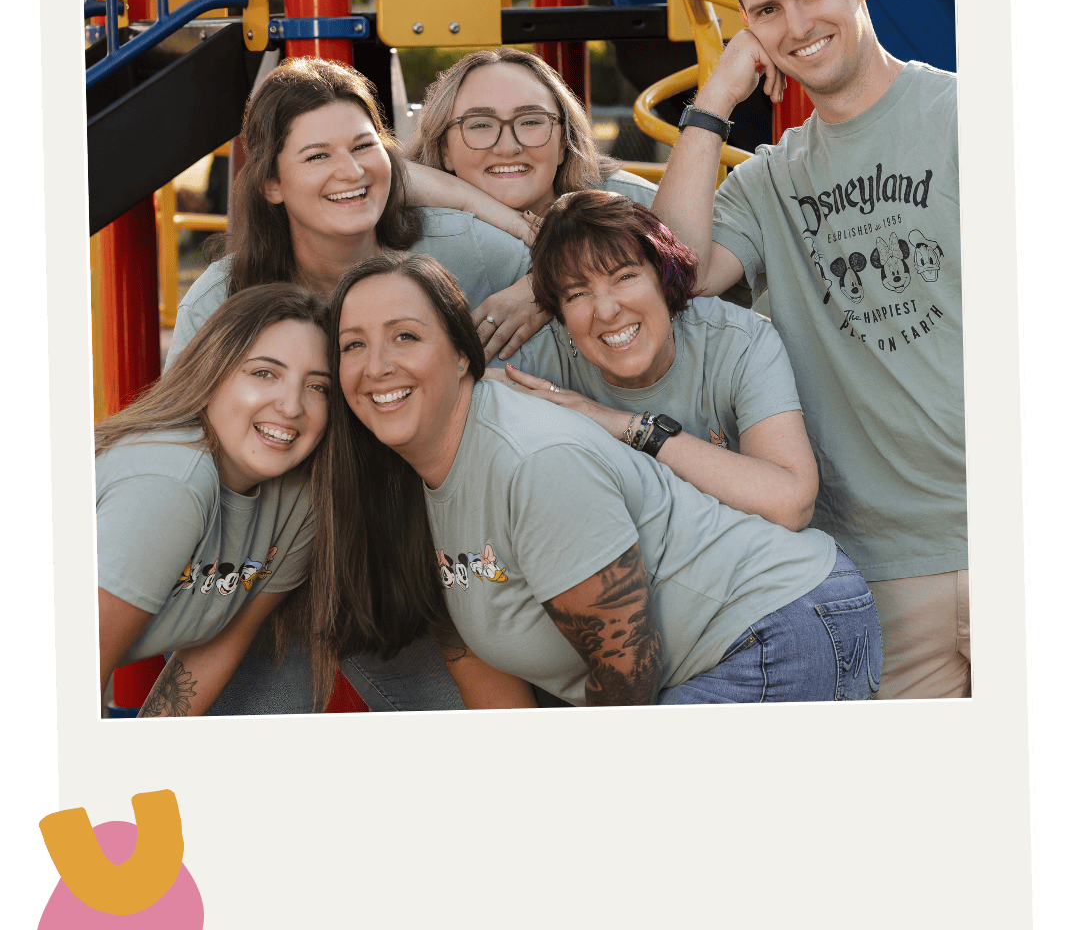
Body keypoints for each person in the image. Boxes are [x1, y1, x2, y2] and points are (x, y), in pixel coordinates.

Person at [307, 253, 882, 710]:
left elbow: (627, 666)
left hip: (780, 628)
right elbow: (471, 648)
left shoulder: (531, 459)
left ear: (463, 354)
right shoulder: (402, 471)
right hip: (695, 661)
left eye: (405, 336)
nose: (376, 365)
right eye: (353, 345)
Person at [650, 0, 967, 700]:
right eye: (767, 10)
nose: (795, 25)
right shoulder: (769, 183)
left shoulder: (968, 117)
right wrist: (716, 98)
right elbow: (669, 272)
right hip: (885, 565)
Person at [165, 57, 537, 369]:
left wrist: (539, 289)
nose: (352, 172)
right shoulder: (219, 298)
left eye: (362, 146)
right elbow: (174, 432)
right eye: (317, 156)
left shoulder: (458, 244)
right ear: (272, 184)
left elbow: (582, 269)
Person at [496, 190, 817, 533]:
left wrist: (624, 425)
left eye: (624, 277)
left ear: (663, 276)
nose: (606, 311)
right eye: (577, 294)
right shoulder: (541, 357)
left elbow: (791, 504)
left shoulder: (739, 341)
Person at [409, 46, 754, 364]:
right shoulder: (429, 232)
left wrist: (548, 286)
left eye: (530, 121)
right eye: (480, 125)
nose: (508, 146)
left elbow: (688, 272)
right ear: (443, 149)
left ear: (563, 143)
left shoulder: (628, 202)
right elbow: (374, 170)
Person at [96, 284, 331, 716]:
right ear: (212, 372)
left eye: (317, 387)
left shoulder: (300, 499)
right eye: (265, 373)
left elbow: (220, 645)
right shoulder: (172, 482)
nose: (292, 405)